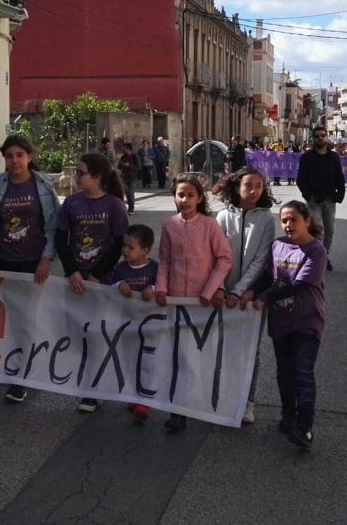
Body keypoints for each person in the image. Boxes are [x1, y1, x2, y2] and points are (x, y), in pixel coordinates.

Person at [0, 135, 60, 404]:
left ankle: (22, 375)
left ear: (29, 156)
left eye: (19, 155)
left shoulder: (44, 187)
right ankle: (14, 365)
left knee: (28, 318)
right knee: (8, 318)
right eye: (9, 156)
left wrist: (46, 259)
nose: (14, 161)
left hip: (32, 262)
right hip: (3, 262)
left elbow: (52, 227)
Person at [154, 172, 233, 432]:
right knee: (176, 354)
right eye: (180, 194)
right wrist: (162, 287)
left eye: (190, 195)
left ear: (200, 198)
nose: (185, 199)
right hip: (176, 299)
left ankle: (205, 401)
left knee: (198, 353)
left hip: (202, 302)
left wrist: (211, 289)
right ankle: (178, 409)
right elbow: (165, 259)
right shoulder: (169, 225)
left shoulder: (210, 226)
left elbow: (224, 258)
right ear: (174, 198)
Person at [252, 200, 326, 451]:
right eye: (284, 220)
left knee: (303, 372)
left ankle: (305, 427)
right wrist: (249, 292)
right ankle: (288, 415)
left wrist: (264, 297)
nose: (288, 224)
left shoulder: (316, 251)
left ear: (307, 220)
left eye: (294, 219)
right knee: (285, 371)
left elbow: (299, 283)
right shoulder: (277, 246)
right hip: (281, 320)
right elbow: (266, 276)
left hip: (307, 320)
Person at [58, 152, 129, 414]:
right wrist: (72, 272)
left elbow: (119, 243)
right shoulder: (71, 203)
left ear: (97, 177)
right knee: (78, 334)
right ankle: (87, 381)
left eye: (81, 173)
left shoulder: (113, 205)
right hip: (76, 281)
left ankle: (93, 389)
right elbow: (60, 239)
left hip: (101, 281)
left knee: (97, 334)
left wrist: (96, 273)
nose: (76, 177)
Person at [212, 166, 275, 425]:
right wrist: (221, 287)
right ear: (237, 187)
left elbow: (262, 260)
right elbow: (217, 255)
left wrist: (240, 291)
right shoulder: (222, 216)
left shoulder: (267, 219)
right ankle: (221, 397)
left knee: (250, 350)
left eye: (259, 186)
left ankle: (248, 401)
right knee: (221, 346)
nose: (253, 191)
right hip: (222, 294)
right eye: (248, 185)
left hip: (251, 295)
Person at [112, 223, 158, 423]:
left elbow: (163, 284)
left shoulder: (154, 268)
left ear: (145, 251)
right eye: (124, 246)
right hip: (127, 324)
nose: (125, 251)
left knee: (147, 362)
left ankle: (144, 400)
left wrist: (153, 288)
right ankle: (133, 394)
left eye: (131, 247)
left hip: (150, 326)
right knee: (130, 359)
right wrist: (119, 284)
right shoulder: (121, 269)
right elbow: (109, 284)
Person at [296, 126, 346, 272]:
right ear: (313, 138)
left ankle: (324, 255)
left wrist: (339, 195)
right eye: (317, 136)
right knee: (317, 230)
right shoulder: (306, 158)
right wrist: (308, 195)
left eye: (323, 135)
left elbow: (339, 177)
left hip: (330, 198)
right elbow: (301, 179)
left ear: (326, 137)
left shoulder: (334, 157)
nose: (320, 138)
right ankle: (316, 258)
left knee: (330, 230)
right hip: (313, 200)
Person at [117, 142, 141, 214]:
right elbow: (119, 167)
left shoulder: (135, 156)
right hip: (125, 177)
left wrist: (129, 165)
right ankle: (130, 207)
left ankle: (131, 208)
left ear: (128, 149)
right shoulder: (123, 157)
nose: (123, 150)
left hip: (133, 177)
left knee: (131, 192)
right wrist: (121, 164)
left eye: (124, 148)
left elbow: (138, 167)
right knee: (127, 193)